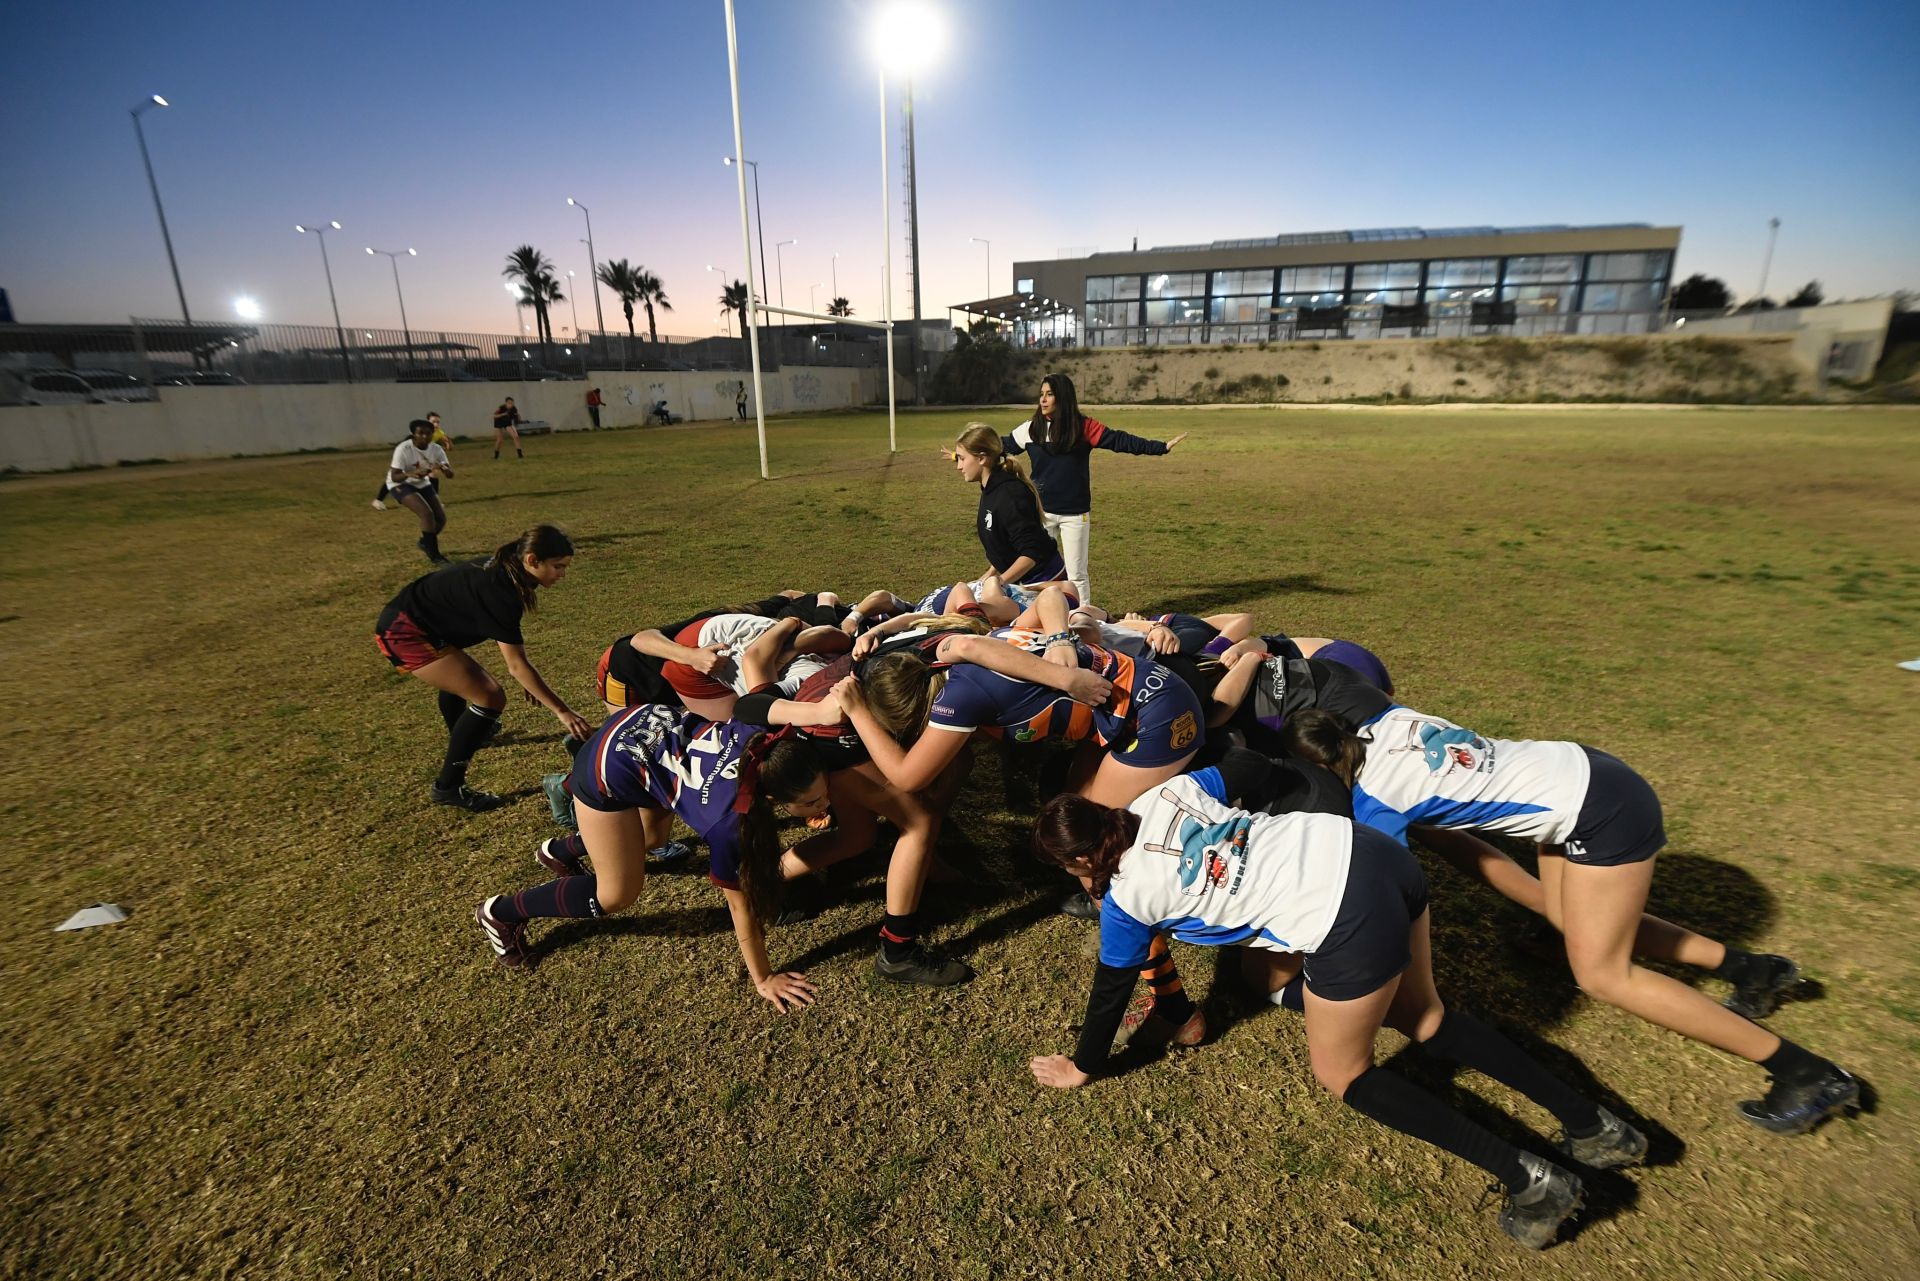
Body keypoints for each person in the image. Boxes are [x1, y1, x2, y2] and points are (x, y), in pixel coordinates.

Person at [1025, 766, 1643, 1250]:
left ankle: (1532, 1181)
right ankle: (1596, 1127)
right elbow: (1248, 767)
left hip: (1348, 915)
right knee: (1426, 1017)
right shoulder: (1165, 795)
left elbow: (1111, 993)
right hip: (1369, 850)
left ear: (1080, 861)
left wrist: (1083, 1064)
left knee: (1342, 1072)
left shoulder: (1127, 900)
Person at [1282, 705, 1861, 1136]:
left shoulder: (1376, 807)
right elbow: (1461, 840)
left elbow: (1381, 896)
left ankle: (1806, 1071)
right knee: (1569, 919)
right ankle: (1752, 970)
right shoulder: (1382, 724)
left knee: (1604, 974)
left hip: (1603, 813)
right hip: (1584, 769)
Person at [477, 706, 832, 1014]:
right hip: (608, 764)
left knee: (650, 839)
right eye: (814, 801)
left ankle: (563, 850)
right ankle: (503, 912)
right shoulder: (730, 825)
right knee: (617, 893)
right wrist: (764, 978)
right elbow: (742, 908)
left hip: (645, 729)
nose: (825, 805)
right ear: (770, 795)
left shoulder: (765, 744)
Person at [373, 524, 593, 811]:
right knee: (489, 696)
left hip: (420, 621)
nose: (562, 574)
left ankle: (465, 733)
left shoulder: (508, 570)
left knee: (467, 683)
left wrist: (530, 683)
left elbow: (516, 660)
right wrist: (563, 712)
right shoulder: (501, 590)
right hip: (405, 632)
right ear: (531, 560)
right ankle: (448, 787)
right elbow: (516, 665)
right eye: (557, 566)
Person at [1002, 373, 1189, 604]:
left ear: (1063, 397)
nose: (1043, 399)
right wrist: (962, 454)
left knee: (1076, 574)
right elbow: (998, 447)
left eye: (1049, 394)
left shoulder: (1084, 427)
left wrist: (1160, 447)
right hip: (1041, 513)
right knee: (1035, 571)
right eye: (1041, 394)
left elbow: (1120, 441)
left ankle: (1084, 618)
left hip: (1075, 514)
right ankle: (1032, 615)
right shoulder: (1031, 429)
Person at [952, 423, 1066, 588]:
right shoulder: (991, 488)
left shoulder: (1010, 495)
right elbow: (1006, 542)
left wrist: (999, 583)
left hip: (1047, 583)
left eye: (962, 458)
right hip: (1022, 582)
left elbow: (1031, 553)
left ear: (982, 458)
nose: (959, 466)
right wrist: (989, 575)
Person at [380, 419, 454, 564]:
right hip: (399, 483)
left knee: (440, 519)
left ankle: (425, 542)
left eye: (428, 433)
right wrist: (410, 474)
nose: (424, 437)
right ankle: (435, 555)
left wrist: (445, 469)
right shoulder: (404, 449)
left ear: (433, 434)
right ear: (413, 434)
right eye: (420, 433)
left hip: (422, 483)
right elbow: (395, 475)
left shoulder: (436, 449)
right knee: (426, 514)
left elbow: (451, 474)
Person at [372, 411, 452, 510]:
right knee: (397, 476)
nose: (435, 424)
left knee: (432, 475)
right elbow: (405, 447)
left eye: (438, 422)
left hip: (424, 460)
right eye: (433, 421)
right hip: (412, 460)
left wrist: (447, 445)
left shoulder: (439, 433)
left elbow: (445, 447)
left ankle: (434, 500)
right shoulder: (412, 439)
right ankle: (379, 499)